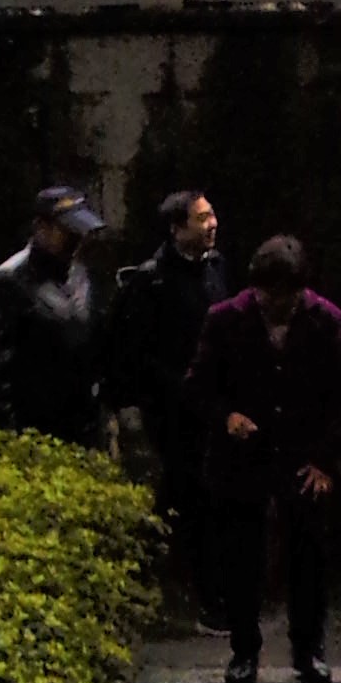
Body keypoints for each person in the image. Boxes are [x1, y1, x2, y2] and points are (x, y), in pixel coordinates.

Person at [186, 234, 341, 683]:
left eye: (284, 294)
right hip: (242, 457)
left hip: (302, 454)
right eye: (267, 293)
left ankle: (308, 650)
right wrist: (225, 416)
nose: (275, 303)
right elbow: (198, 385)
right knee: (240, 558)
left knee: (309, 557)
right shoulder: (225, 320)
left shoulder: (324, 320)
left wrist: (327, 461)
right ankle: (244, 650)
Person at [108, 186, 229, 600]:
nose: (212, 225)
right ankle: (195, 589)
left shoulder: (216, 269)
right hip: (173, 411)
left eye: (212, 215)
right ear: (177, 229)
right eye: (201, 218)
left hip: (213, 406)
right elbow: (138, 354)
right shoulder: (150, 281)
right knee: (188, 495)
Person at [0, 185, 107, 442]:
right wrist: (7, 438)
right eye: (67, 231)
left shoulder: (81, 276)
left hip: (83, 428)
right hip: (36, 430)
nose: (76, 238)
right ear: (41, 228)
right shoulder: (10, 282)